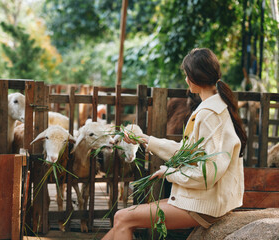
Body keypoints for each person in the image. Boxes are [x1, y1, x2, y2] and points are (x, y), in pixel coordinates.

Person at [102, 48, 247, 240]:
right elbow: (185, 152)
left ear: (195, 77)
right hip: (199, 200)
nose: (186, 80)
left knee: (122, 217)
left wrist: (169, 173)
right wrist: (144, 138)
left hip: (204, 205)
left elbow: (208, 173)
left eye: (187, 75)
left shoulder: (210, 114)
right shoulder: (213, 108)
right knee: (121, 220)